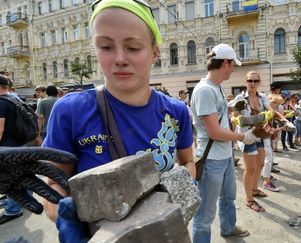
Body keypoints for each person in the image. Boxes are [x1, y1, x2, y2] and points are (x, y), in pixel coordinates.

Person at [42, 0, 195, 241]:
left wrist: (179, 197)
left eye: (133, 48)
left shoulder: (176, 112)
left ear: (155, 51)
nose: (120, 58)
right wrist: (63, 216)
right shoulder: (70, 111)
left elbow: (188, 163)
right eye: (106, 46)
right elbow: (52, 184)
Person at [191, 43, 259, 242]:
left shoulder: (217, 87)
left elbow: (217, 111)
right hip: (211, 160)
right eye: (233, 65)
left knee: (228, 198)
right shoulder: (204, 90)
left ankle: (228, 228)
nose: (234, 69)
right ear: (226, 63)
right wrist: (242, 136)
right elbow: (213, 131)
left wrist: (231, 106)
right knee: (205, 213)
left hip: (225, 156)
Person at [233, 71, 276, 213]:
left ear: (259, 82)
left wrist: (269, 113)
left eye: (255, 81)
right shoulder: (240, 98)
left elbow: (270, 109)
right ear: (245, 82)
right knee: (250, 168)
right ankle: (249, 199)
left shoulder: (262, 97)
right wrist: (236, 119)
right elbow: (233, 115)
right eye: (250, 80)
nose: (252, 83)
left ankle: (254, 189)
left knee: (261, 163)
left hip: (260, 134)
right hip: (247, 136)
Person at [0, 74, 28, 224]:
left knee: (11, 178)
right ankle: (26, 200)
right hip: (20, 143)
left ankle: (12, 210)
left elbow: (0, 129)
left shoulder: (1, 103)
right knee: (24, 174)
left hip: (7, 147)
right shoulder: (16, 98)